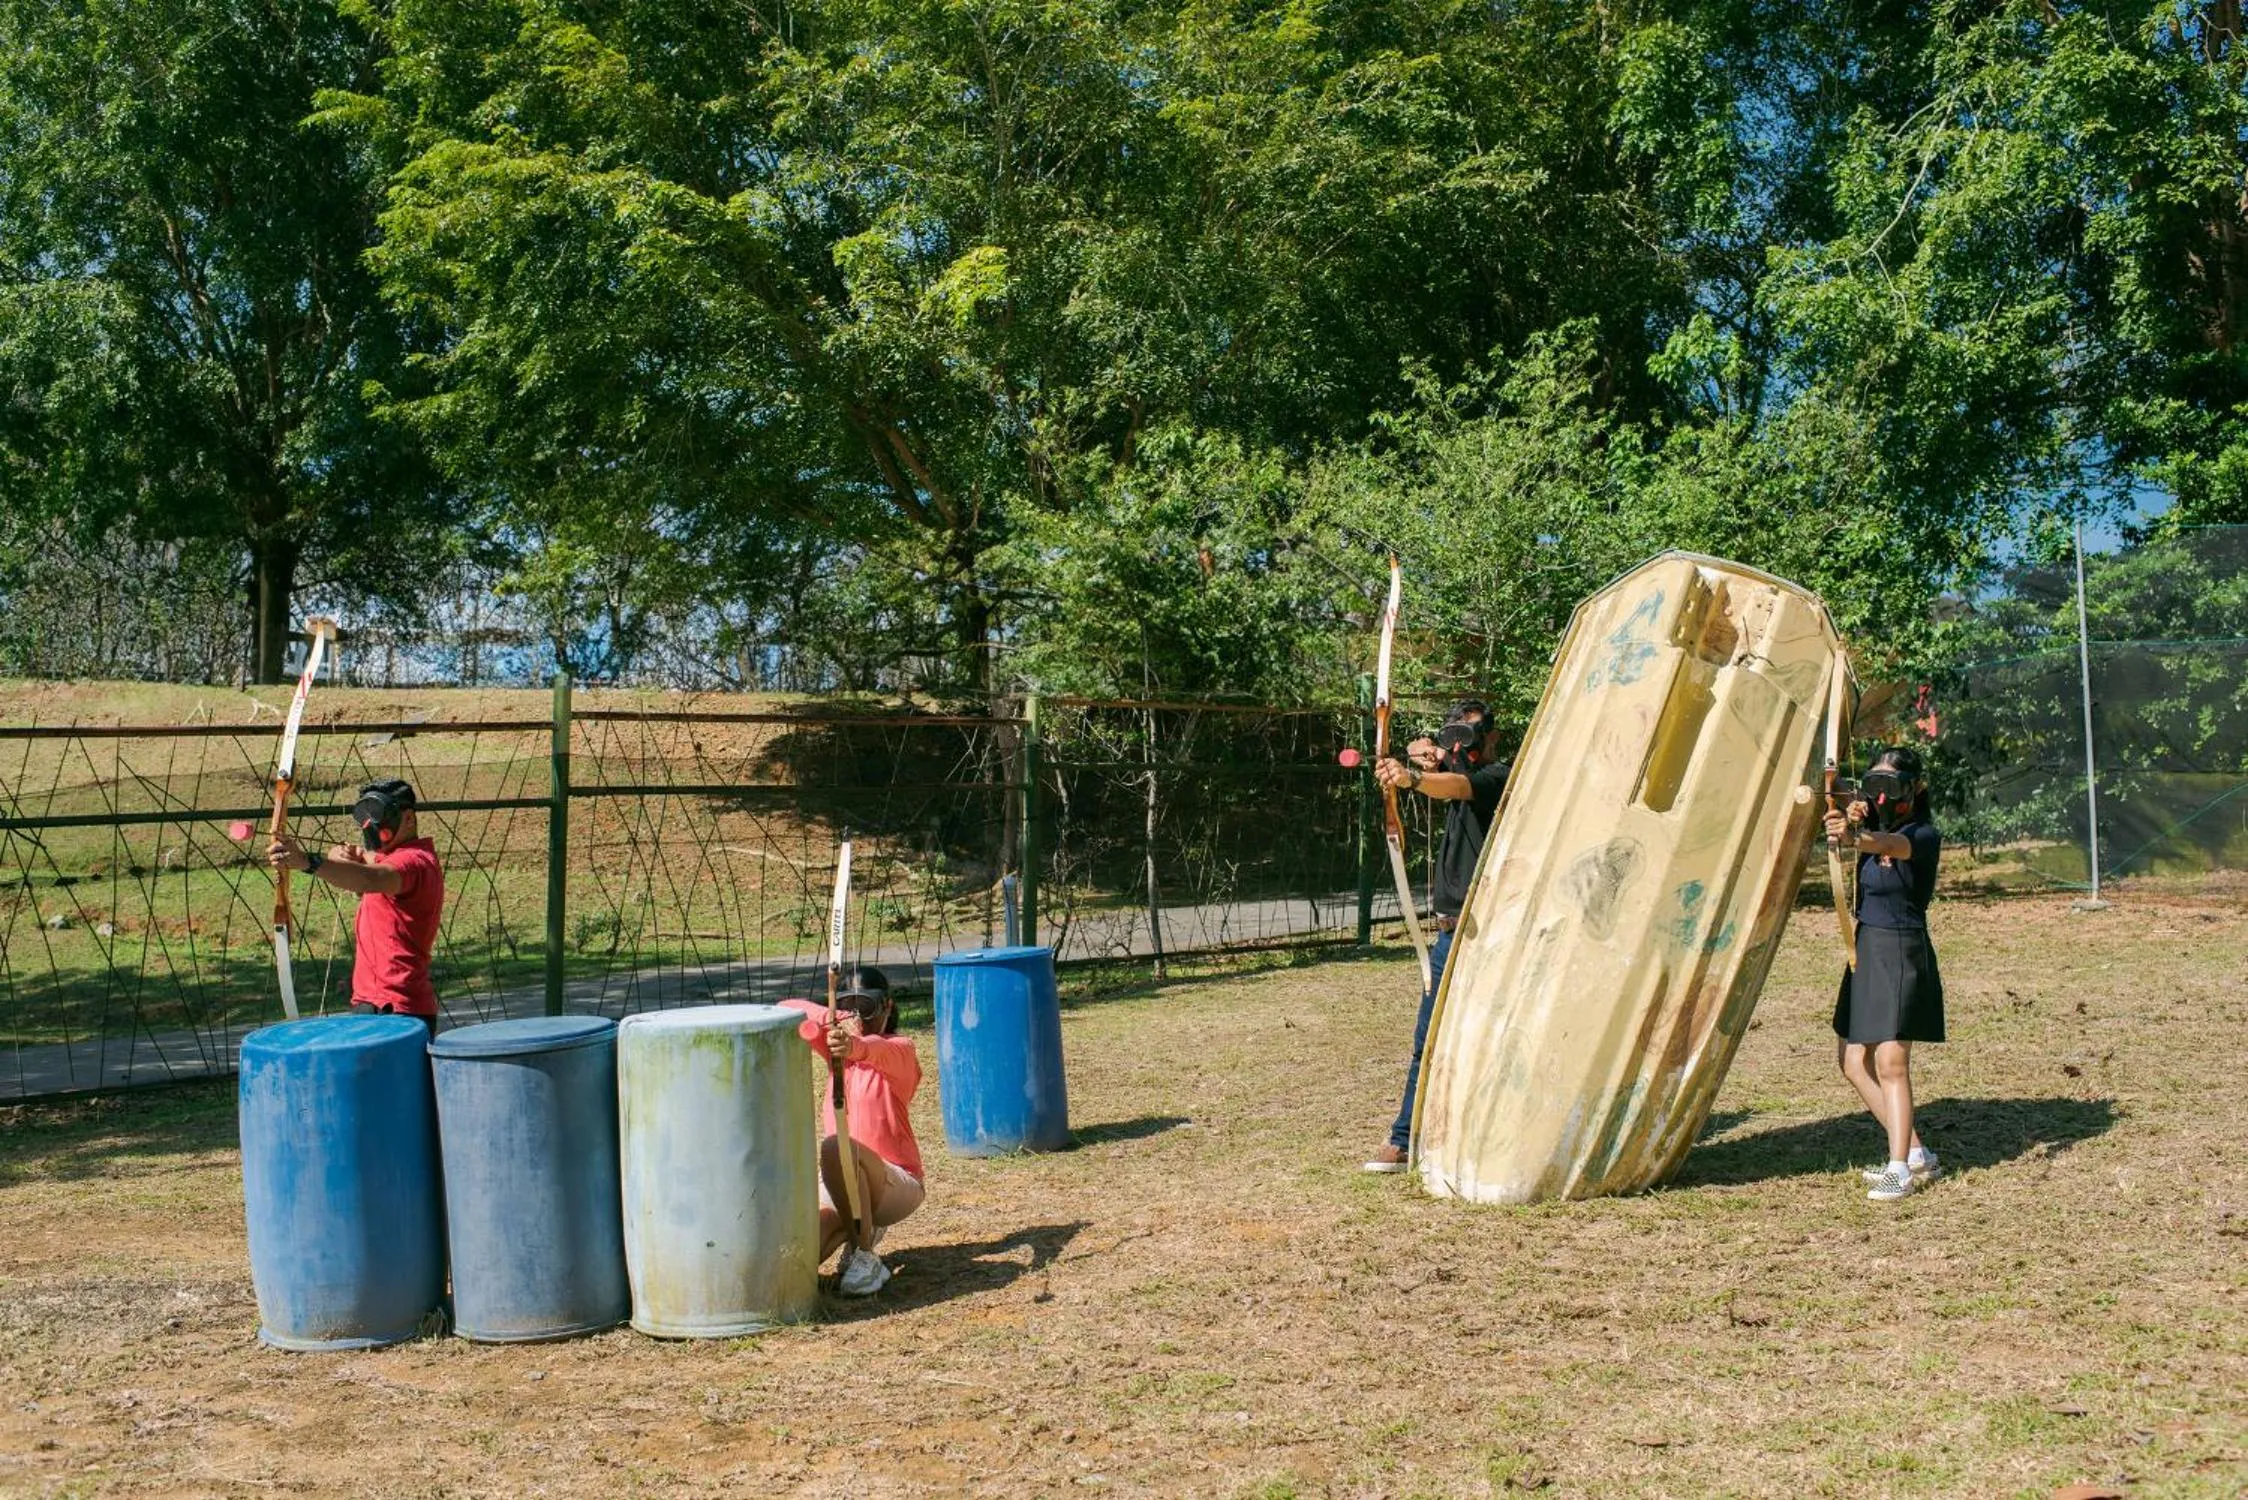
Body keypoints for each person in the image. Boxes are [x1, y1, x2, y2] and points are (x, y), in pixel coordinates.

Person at [1363, 699, 1511, 1173]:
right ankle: (1405, 1138)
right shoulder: (1450, 766)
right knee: (1427, 1040)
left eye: (1471, 737)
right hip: (1450, 936)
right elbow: (1439, 768)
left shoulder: (1499, 776)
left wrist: (1413, 778)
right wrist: (1415, 755)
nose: (1460, 746)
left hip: (1488, 933)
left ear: (1490, 739)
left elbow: (1458, 785)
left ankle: (1493, 1136)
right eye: (1454, 736)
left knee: (1494, 1039)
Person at [1825, 745, 1946, 1202]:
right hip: (1867, 947)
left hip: (1900, 949)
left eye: (1890, 787)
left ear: (1915, 789)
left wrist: (1854, 835)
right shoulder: (1873, 821)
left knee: (1891, 1062)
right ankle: (1915, 1152)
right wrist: (1834, 790)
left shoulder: (1922, 833)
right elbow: (1837, 792)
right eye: (1874, 786)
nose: (1881, 797)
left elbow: (1888, 845)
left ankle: (1899, 1170)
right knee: (1853, 1061)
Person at [779, 966, 926, 1296]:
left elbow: (874, 1048)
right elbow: (786, 1008)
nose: (860, 1018)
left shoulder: (901, 1050)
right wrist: (832, 1018)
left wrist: (852, 1044)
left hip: (894, 1184)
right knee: (797, 1256)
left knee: (834, 1147)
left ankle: (864, 1256)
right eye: (850, 1007)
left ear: (887, 1006)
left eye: (868, 1008)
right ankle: (861, 1230)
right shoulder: (837, 1047)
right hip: (840, 1181)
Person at [267, 778, 444, 1037]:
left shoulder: (413, 862)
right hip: (380, 1005)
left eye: (379, 815)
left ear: (408, 819)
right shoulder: (391, 858)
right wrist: (345, 855)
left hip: (396, 1009)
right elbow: (364, 867)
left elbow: (370, 878)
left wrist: (306, 861)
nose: (372, 826)